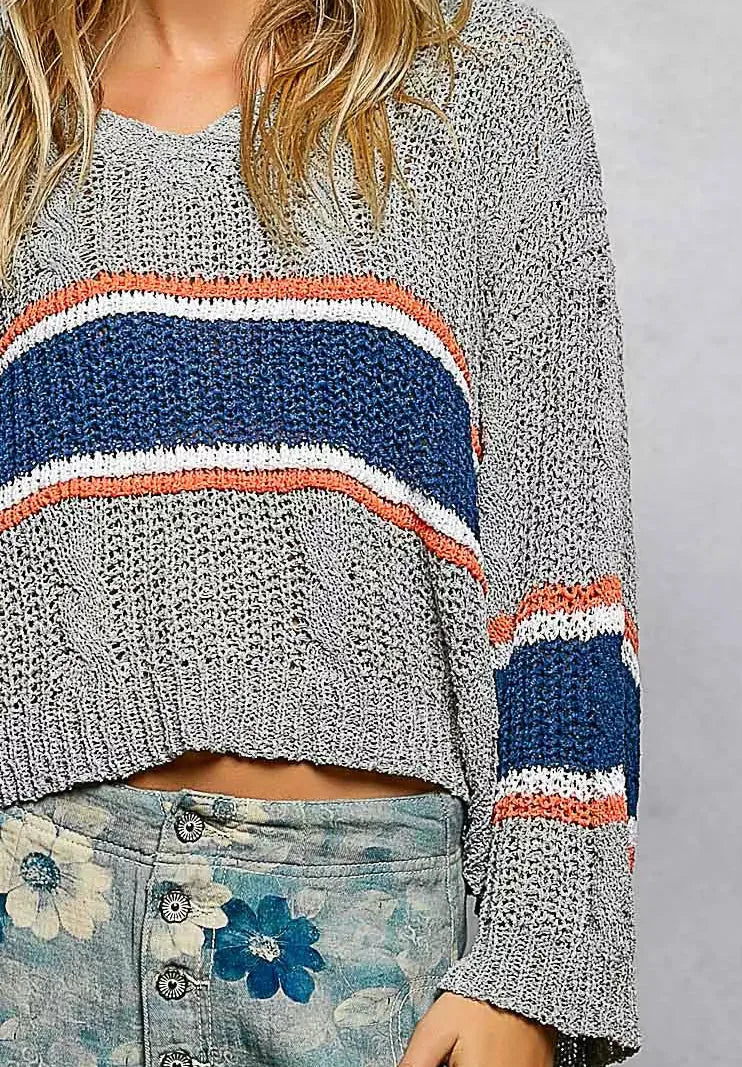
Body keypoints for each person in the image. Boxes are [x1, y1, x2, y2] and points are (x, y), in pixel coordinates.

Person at [0, 0, 642, 1064]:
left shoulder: (482, 79)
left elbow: (563, 547)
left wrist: (534, 966)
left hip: (363, 933)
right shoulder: (16, 102)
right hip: (33, 914)